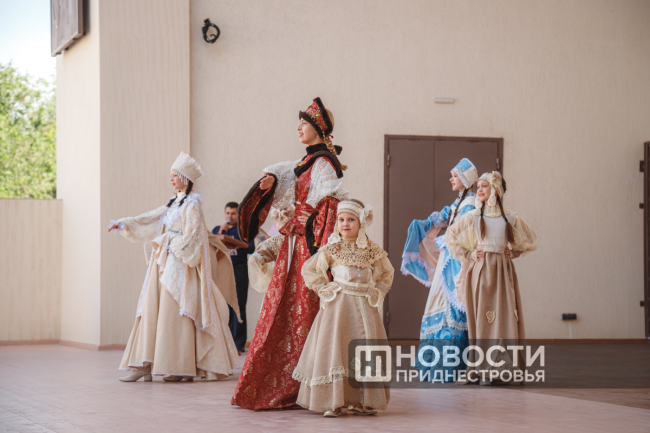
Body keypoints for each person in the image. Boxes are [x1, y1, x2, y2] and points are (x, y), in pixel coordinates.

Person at [231, 97, 348, 410]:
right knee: (284, 309)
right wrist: (271, 184)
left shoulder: (323, 164)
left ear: (319, 129)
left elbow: (328, 208)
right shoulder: (306, 162)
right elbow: (289, 184)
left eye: (304, 124)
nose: (298, 128)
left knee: (301, 311)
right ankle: (281, 382)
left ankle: (300, 385)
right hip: (295, 246)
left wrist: (318, 254)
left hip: (308, 249)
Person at [108, 152, 240, 382]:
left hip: (179, 262)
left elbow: (194, 233)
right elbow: (151, 217)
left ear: (185, 178)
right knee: (151, 307)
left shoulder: (192, 204)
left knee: (174, 310)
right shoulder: (172, 203)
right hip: (163, 260)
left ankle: (179, 366)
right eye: (171, 175)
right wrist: (124, 223)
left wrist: (175, 246)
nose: (171, 179)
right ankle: (144, 364)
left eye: (175, 175)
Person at [293, 199, 393, 417]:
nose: (345, 224)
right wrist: (323, 287)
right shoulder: (332, 248)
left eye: (351, 220)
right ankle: (333, 400)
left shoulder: (372, 249)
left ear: (361, 222)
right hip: (338, 308)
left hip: (365, 307)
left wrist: (378, 291)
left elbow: (387, 272)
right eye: (341, 220)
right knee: (336, 349)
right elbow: (310, 269)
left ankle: (361, 401)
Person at [444, 171, 537, 384]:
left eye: (484, 186)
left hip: (503, 272)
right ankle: (483, 369)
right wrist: (469, 254)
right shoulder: (474, 216)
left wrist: (513, 252)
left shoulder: (509, 217)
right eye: (478, 187)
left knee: (505, 316)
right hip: (482, 271)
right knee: (483, 318)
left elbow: (531, 238)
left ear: (495, 189)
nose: (480, 190)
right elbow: (450, 235)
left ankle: (504, 368)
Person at [401, 158, 478, 380]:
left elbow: (466, 235)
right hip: (448, 260)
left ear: (465, 179)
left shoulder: (469, 205)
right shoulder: (457, 204)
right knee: (441, 305)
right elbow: (439, 219)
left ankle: (449, 368)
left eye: (455, 176)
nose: (451, 179)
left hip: (456, 262)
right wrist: (420, 225)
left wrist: (449, 240)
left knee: (453, 307)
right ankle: (436, 366)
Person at [212, 202, 255, 354]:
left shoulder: (243, 230)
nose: (229, 216)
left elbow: (251, 248)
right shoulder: (217, 230)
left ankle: (238, 344)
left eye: (233, 213)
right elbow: (210, 246)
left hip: (239, 270)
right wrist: (221, 232)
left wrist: (237, 243)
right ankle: (225, 341)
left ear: (239, 215)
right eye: (227, 213)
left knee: (238, 307)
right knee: (224, 307)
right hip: (222, 272)